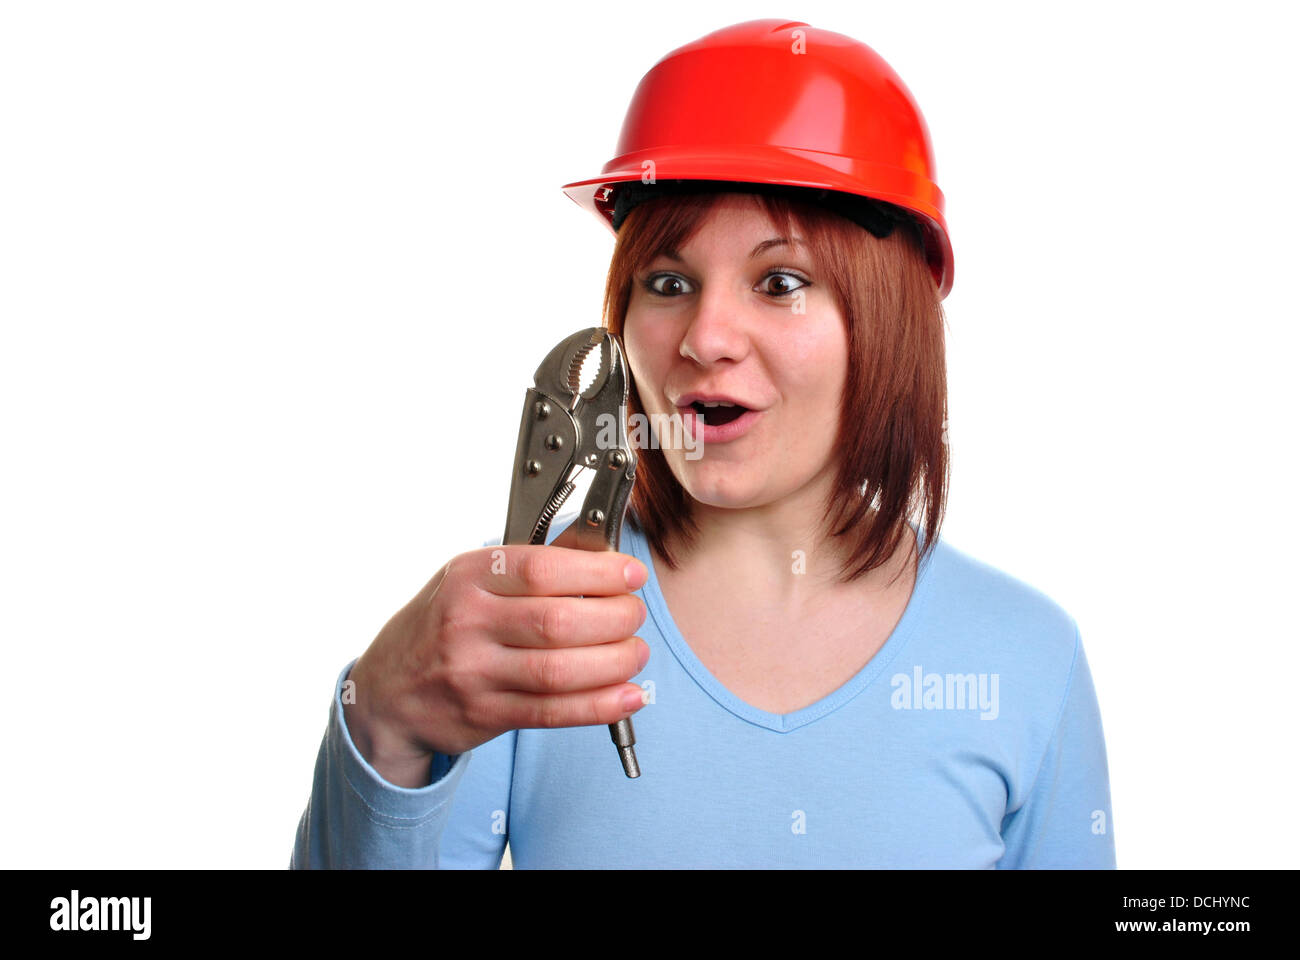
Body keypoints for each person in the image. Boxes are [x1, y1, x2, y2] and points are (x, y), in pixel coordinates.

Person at [291, 19, 1115, 869]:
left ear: (892, 322)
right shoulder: (529, 629)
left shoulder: (1029, 658)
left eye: (781, 281)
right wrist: (380, 728)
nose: (705, 335)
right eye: (669, 282)